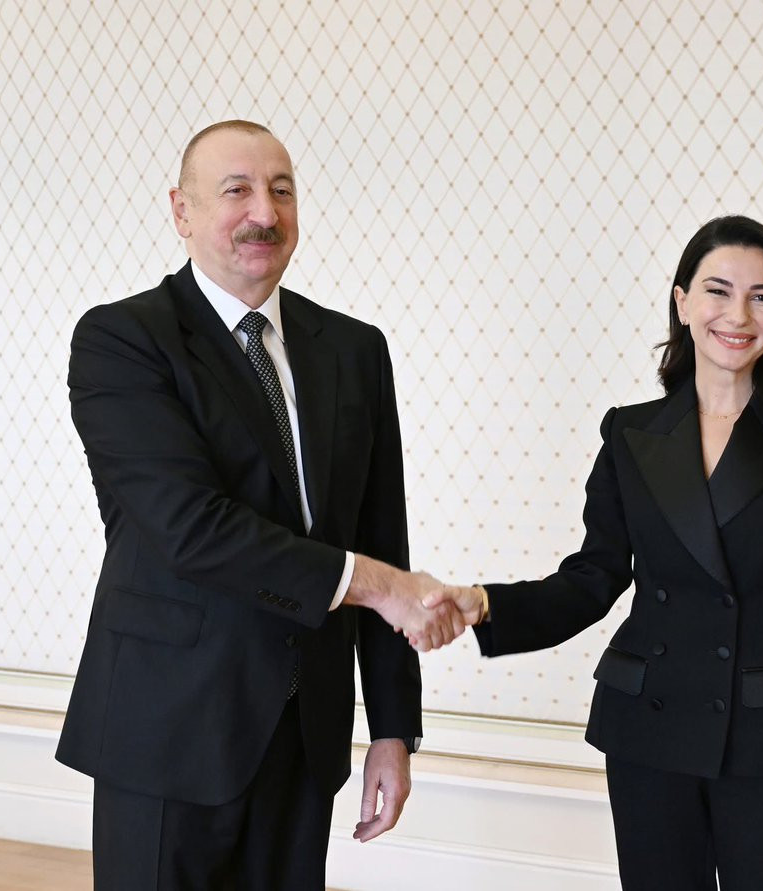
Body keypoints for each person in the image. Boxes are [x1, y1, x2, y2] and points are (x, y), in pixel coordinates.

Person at [58, 119, 464, 890]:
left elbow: (382, 533)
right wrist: (379, 585)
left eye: (282, 190)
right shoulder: (122, 340)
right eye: (236, 190)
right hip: (169, 728)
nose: (265, 213)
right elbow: (191, 528)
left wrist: (392, 727)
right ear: (181, 211)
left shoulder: (355, 350)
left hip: (304, 736)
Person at [424, 216, 763, 890]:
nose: (738, 315)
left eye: (761, 296)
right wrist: (486, 604)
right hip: (650, 730)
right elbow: (593, 577)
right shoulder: (631, 434)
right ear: (683, 302)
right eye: (718, 291)